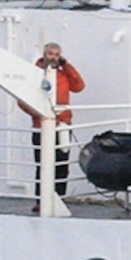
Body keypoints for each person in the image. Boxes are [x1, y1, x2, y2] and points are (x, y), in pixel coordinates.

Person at [29, 40, 86, 197]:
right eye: (50, 54)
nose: (53, 57)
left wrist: (66, 65)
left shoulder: (63, 74)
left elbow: (79, 86)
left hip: (62, 126)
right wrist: (39, 113)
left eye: (57, 55)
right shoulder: (34, 74)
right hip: (41, 126)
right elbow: (23, 100)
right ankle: (41, 200)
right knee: (43, 165)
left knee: (61, 165)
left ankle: (59, 198)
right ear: (44, 54)